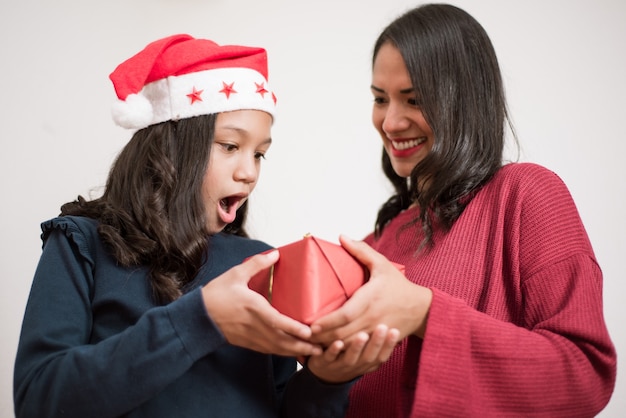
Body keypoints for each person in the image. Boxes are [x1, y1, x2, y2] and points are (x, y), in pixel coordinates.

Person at [13, 34, 399, 418]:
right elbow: (38, 400)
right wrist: (200, 320)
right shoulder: (82, 244)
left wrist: (325, 381)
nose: (249, 173)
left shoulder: (260, 263)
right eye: (230, 146)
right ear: (171, 149)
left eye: (260, 154)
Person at [310, 4, 617, 417]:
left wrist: (424, 312)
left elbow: (585, 374)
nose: (390, 122)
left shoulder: (526, 195)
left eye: (414, 99)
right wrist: (325, 378)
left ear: (465, 99)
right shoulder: (374, 245)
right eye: (380, 99)